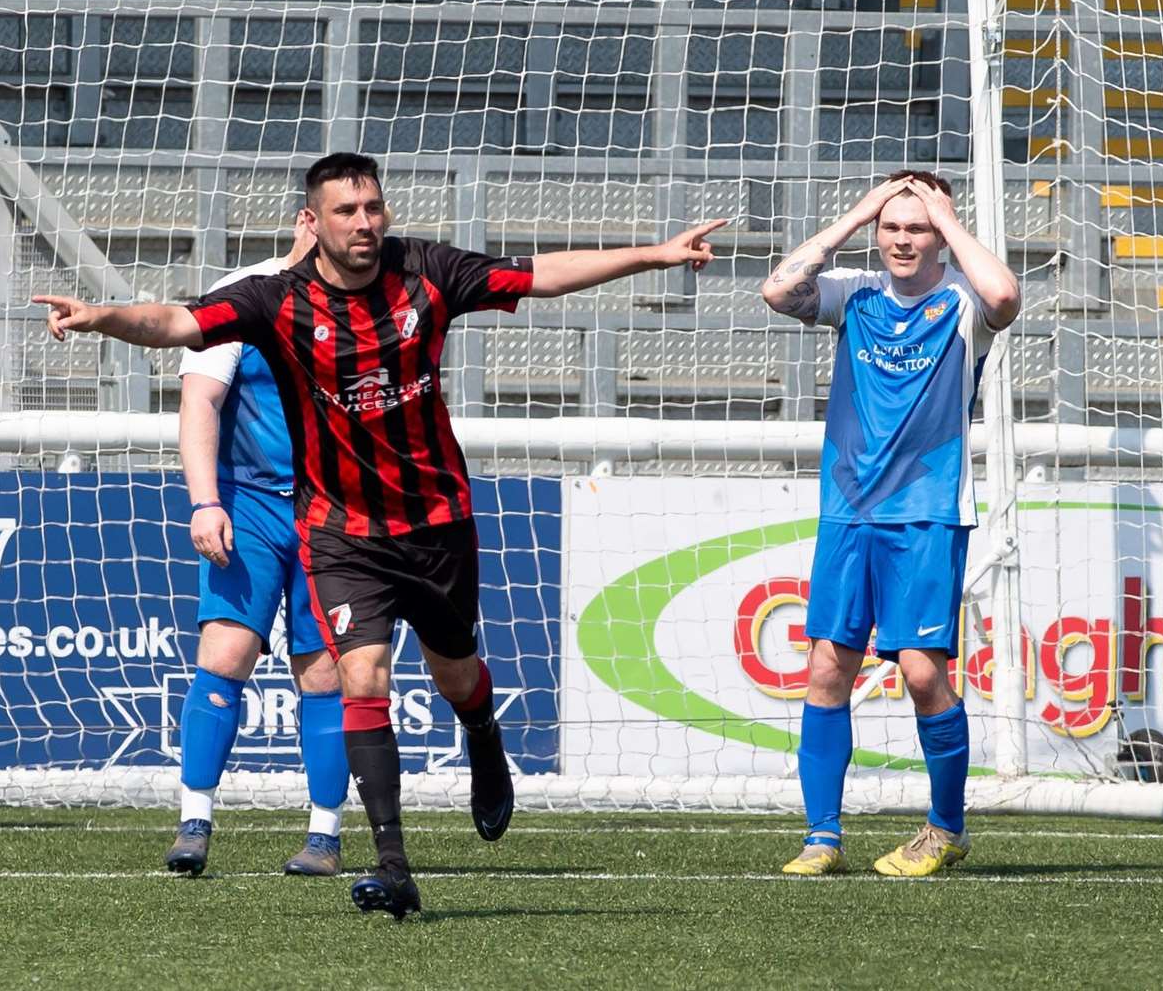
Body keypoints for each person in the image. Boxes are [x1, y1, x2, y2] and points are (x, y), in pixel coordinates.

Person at [37, 152, 724, 917]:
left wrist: (653, 255)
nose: (363, 222)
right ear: (315, 222)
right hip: (338, 531)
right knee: (358, 678)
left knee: (454, 672)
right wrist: (102, 317)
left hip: (433, 521)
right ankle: (389, 862)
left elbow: (540, 274)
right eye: (345, 211)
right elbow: (175, 323)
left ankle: (482, 739)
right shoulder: (274, 300)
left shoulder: (427, 273)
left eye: (372, 207)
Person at [760, 170, 1021, 877]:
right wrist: (858, 212)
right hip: (848, 510)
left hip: (927, 512)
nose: (902, 240)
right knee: (825, 667)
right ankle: (822, 838)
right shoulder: (854, 295)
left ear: (940, 234)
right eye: (893, 228)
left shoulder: (962, 305)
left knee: (921, 673)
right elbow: (778, 290)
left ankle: (945, 827)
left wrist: (948, 215)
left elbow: (1004, 294)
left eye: (917, 228)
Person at [165, 221, 351, 877]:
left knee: (325, 672)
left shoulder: (365, 305)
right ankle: (194, 822)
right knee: (224, 652)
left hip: (334, 513)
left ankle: (323, 836)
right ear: (306, 220)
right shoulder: (242, 295)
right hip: (250, 505)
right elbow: (200, 400)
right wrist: (205, 500)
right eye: (331, 215)